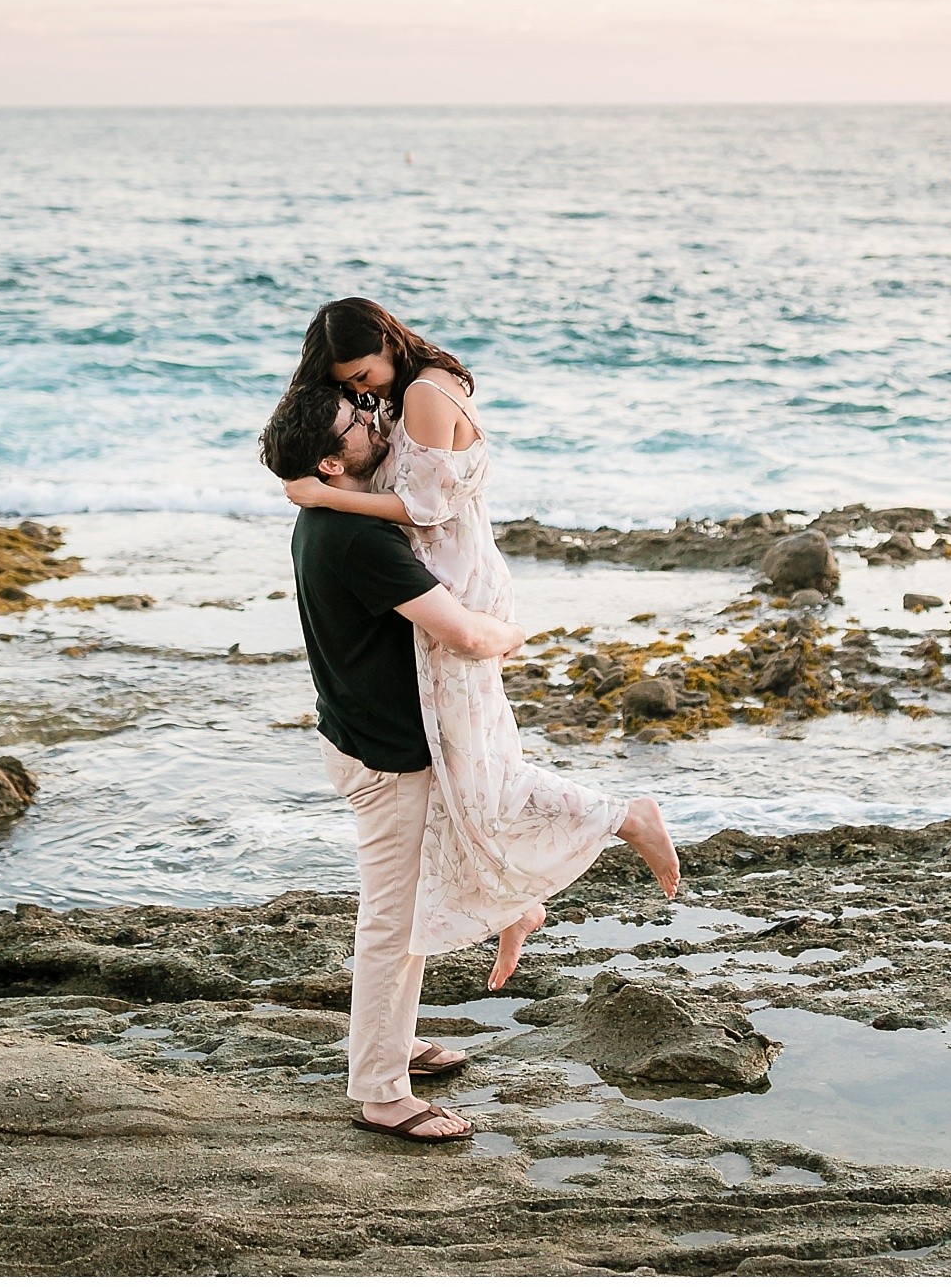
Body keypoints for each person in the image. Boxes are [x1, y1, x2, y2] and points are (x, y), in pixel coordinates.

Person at [282, 298, 680, 993]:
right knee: (463, 777)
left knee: (483, 778)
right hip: (443, 585)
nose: (363, 392)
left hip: (454, 588)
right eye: (350, 386)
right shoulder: (411, 389)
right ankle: (515, 906)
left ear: (386, 340)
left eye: (365, 374)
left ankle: (627, 817)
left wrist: (324, 496)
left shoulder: (427, 395)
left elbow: (427, 509)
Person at [259, 383, 517, 1144]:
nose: (377, 417)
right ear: (335, 463)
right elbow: (464, 635)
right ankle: (380, 1089)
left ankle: (394, 1043)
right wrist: (510, 634)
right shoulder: (358, 539)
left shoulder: (321, 517)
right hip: (386, 757)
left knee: (403, 913)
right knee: (395, 925)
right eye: (358, 419)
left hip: (353, 734)